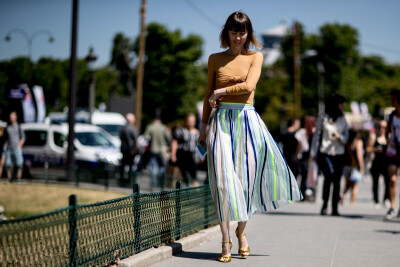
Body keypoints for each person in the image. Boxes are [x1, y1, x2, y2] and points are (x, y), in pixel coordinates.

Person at [197, 11, 302, 263]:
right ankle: (225, 241)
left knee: (248, 181)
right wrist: (203, 128)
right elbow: (206, 94)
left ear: (248, 33)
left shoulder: (256, 56)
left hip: (247, 120)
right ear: (227, 32)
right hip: (220, 122)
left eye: (242, 32)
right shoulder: (214, 58)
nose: (238, 37)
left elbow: (248, 86)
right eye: (234, 31)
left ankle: (241, 232)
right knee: (222, 182)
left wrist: (220, 92)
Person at [310, 94, 349, 216]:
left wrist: (340, 137)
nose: (343, 106)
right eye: (342, 103)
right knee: (329, 176)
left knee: (337, 180)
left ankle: (335, 207)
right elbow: (317, 136)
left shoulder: (343, 119)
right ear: (336, 104)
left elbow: (346, 137)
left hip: (339, 152)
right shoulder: (323, 118)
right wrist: (313, 152)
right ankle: (324, 204)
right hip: (325, 152)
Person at [171, 113, 200, 187]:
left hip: (193, 157)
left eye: (193, 121)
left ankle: (194, 188)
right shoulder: (180, 131)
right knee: (183, 174)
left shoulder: (197, 132)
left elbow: (199, 144)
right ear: (186, 121)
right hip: (183, 155)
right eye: (189, 121)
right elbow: (175, 142)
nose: (191, 123)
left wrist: (201, 156)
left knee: (194, 175)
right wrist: (173, 154)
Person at [365, 120, 389, 208]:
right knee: (375, 182)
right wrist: (375, 150)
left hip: (386, 162)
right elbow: (367, 149)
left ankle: (386, 199)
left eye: (384, 127)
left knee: (388, 181)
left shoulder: (388, 137)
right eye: (379, 127)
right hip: (375, 162)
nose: (381, 129)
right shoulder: (373, 136)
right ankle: (376, 200)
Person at [385, 89, 400, 219]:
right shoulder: (390, 116)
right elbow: (387, 133)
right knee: (393, 179)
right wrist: (389, 139)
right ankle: (392, 206)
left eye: (393, 98)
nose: (391, 101)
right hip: (393, 151)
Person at [144, 114, 170, 190]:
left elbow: (146, 138)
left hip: (153, 150)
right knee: (162, 168)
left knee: (153, 169)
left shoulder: (150, 127)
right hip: (162, 151)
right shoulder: (163, 127)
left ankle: (153, 186)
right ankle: (161, 185)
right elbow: (168, 138)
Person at [341, 129, 364, 205]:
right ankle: (352, 202)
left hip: (346, 166)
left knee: (347, 184)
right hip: (354, 166)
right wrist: (362, 167)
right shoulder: (358, 142)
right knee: (354, 185)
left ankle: (343, 196)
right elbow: (359, 155)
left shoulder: (346, 142)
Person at [295, 115, 316, 199]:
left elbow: (299, 145)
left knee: (304, 175)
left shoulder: (301, 132)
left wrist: (297, 154)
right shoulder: (315, 132)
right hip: (313, 155)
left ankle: (304, 193)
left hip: (304, 155)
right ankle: (311, 192)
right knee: (311, 175)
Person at [4, 111, 25, 182]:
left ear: (16, 117)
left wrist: (19, 146)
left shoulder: (19, 126)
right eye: (10, 116)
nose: (11, 118)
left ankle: (18, 178)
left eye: (13, 116)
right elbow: (6, 137)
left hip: (17, 147)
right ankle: (9, 178)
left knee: (19, 163)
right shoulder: (7, 127)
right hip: (9, 148)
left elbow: (23, 137)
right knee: (8, 164)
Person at [119, 113, 138, 186]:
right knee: (130, 166)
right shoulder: (132, 128)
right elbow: (136, 139)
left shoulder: (123, 128)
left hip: (124, 150)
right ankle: (129, 181)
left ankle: (122, 180)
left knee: (123, 166)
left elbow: (120, 138)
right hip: (131, 150)